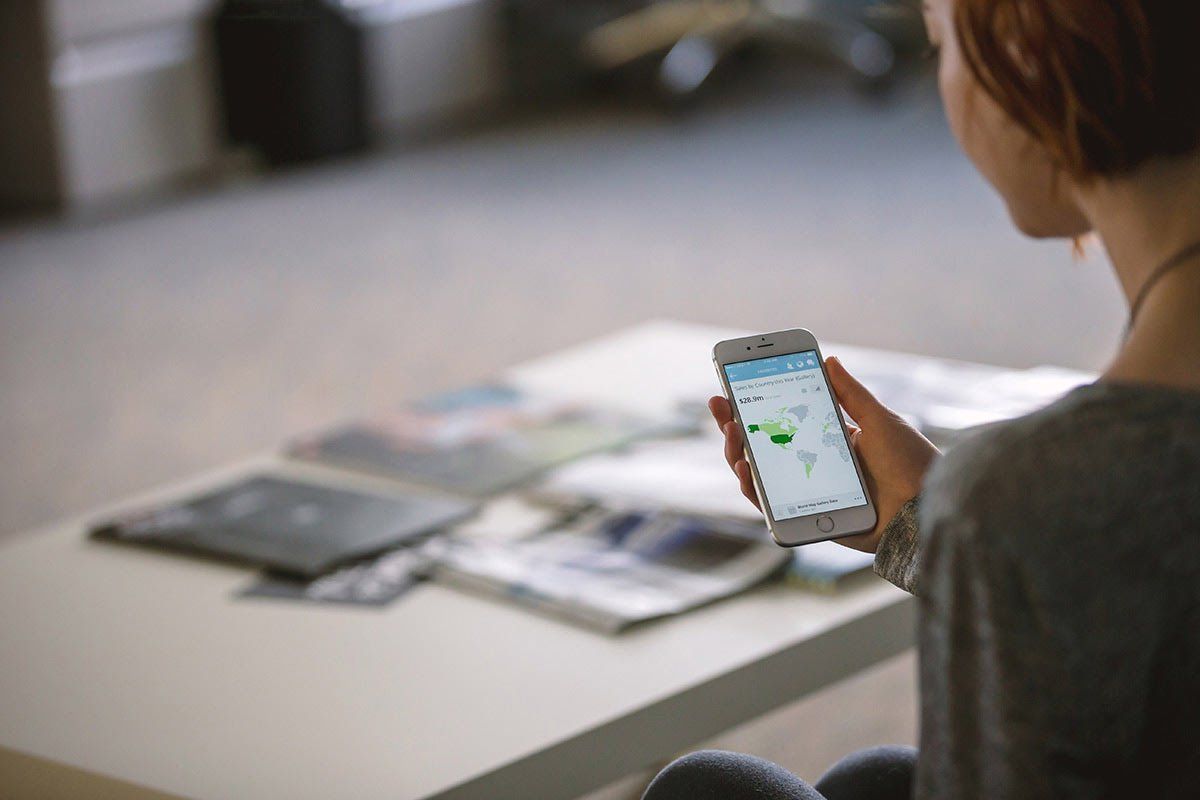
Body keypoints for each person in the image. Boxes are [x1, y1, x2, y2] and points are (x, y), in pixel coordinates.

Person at [643, 0, 1200, 798]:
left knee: (706, 789)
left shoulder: (1034, 495)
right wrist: (922, 524)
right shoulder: (1048, 499)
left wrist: (987, 520)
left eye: (941, 47)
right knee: (870, 781)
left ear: (1029, 62)